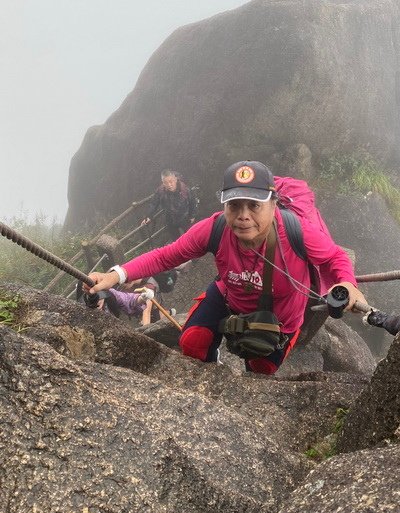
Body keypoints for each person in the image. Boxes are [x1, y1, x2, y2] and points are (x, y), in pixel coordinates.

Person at [86, 160, 367, 375]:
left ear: (273, 204)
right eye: (234, 205)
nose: (243, 216)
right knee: (193, 343)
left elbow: (335, 258)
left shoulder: (295, 231)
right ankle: (214, 376)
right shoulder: (216, 228)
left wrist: (348, 284)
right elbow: (166, 256)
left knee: (260, 368)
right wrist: (115, 275)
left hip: (280, 317)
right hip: (230, 295)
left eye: (254, 205)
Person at [141, 169, 197, 241]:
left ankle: (194, 250)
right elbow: (154, 203)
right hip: (170, 219)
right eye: (166, 183)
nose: (169, 185)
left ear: (175, 179)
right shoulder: (161, 190)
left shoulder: (184, 189)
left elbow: (193, 201)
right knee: (176, 242)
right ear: (163, 183)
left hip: (184, 217)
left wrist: (192, 215)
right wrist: (148, 216)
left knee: (191, 237)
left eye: (171, 181)